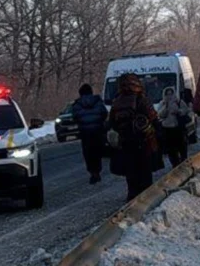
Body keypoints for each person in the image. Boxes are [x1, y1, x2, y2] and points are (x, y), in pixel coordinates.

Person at [107, 73, 159, 201]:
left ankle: (132, 196)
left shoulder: (117, 101)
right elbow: (152, 116)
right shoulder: (141, 98)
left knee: (131, 172)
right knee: (145, 171)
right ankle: (147, 198)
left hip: (125, 141)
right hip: (143, 140)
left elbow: (111, 122)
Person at [71, 83, 109, 184]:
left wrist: (82, 123)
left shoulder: (77, 104)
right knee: (97, 151)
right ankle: (97, 170)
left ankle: (93, 172)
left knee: (88, 153)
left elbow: (75, 117)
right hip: (97, 131)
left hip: (85, 133)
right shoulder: (98, 101)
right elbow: (104, 113)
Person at [157, 86, 190, 167]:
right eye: (167, 94)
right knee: (171, 149)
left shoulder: (178, 101)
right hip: (167, 129)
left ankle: (184, 162)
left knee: (182, 146)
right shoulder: (162, 103)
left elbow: (186, 110)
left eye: (171, 94)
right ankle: (175, 164)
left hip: (178, 127)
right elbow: (160, 115)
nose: (169, 96)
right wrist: (166, 107)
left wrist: (178, 111)